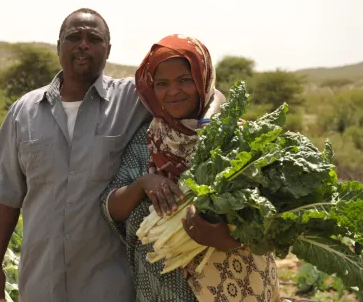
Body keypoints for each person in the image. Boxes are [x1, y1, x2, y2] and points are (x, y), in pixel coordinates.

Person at [0, 8, 151, 302]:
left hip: (110, 287)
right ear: (59, 47)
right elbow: (6, 196)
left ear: (107, 50)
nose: (83, 44)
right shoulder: (25, 112)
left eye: (93, 39)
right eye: (74, 37)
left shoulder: (133, 100)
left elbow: (203, 90)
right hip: (41, 284)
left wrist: (211, 117)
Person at [100, 34, 281, 301]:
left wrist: (228, 241)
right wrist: (142, 185)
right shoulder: (147, 139)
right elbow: (110, 208)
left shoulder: (239, 138)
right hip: (159, 290)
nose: (173, 91)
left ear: (202, 78)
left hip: (238, 287)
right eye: (162, 83)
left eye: (184, 80)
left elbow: (275, 218)